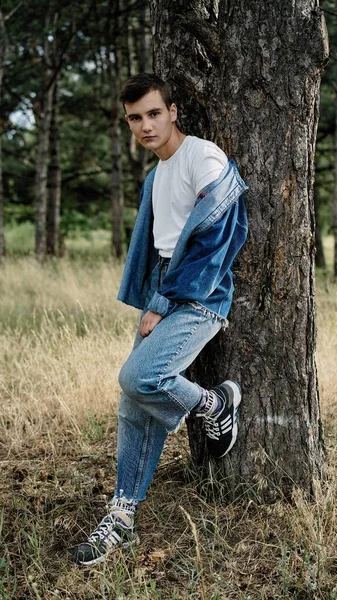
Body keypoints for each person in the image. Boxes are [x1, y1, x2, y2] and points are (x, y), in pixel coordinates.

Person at [71, 73, 248, 566]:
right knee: (133, 403)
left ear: (173, 112)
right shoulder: (157, 175)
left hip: (200, 294)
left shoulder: (202, 157)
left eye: (153, 113)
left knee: (138, 377)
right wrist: (156, 294)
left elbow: (220, 236)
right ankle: (122, 516)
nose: (145, 125)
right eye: (134, 118)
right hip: (165, 288)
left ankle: (214, 404)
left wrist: (164, 300)